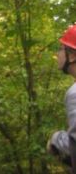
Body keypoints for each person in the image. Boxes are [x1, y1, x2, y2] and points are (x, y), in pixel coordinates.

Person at [47, 23, 76, 173]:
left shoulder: (74, 94)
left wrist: (56, 140)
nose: (57, 54)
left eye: (61, 49)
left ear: (72, 55)